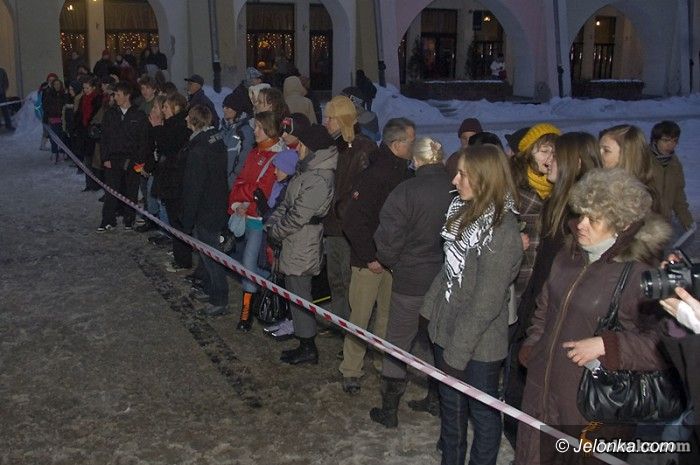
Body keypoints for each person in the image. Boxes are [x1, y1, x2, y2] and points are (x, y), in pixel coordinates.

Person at [515, 168, 673, 465]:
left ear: (622, 224)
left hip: (593, 407)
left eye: (593, 219)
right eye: (581, 215)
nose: (581, 224)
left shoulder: (641, 274)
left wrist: (608, 345)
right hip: (541, 395)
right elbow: (544, 308)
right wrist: (534, 345)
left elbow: (662, 345)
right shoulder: (568, 255)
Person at [420, 144, 523, 465]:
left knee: (483, 415)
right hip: (447, 330)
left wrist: (457, 352)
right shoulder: (461, 213)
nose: (455, 180)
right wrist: (428, 312)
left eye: (463, 174)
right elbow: (448, 270)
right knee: (451, 412)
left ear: (485, 178)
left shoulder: (501, 231)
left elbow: (486, 302)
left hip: (479, 345)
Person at [503, 131, 599, 448]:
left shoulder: (583, 216)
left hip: (558, 324)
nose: (549, 162)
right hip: (538, 312)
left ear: (576, 162)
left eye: (556, 155)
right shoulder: (557, 204)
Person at [368, 137, 453, 428]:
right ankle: (436, 399)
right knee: (437, 340)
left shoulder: (406, 191)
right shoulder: (456, 189)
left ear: (415, 161)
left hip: (411, 280)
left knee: (398, 342)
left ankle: (389, 410)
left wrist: (392, 261)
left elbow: (387, 239)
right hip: (445, 279)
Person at [339, 118, 415, 394]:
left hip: (393, 261)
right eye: (411, 141)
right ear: (397, 144)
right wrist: (369, 256)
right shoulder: (373, 175)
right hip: (367, 262)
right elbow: (352, 220)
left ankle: (384, 362)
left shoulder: (405, 174)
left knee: (386, 316)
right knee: (360, 317)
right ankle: (351, 369)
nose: (414, 146)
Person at [267, 124, 338, 365]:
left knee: (300, 294)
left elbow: (299, 215)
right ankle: (303, 341)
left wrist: (276, 231)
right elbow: (287, 204)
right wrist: (273, 222)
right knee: (294, 291)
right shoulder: (306, 171)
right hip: (294, 239)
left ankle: (308, 345)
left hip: (303, 242)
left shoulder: (319, 178)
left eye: (301, 145)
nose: (297, 149)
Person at [321, 96, 376, 327]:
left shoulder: (363, 149)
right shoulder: (334, 145)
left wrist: (342, 211)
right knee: (336, 279)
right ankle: (339, 323)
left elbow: (363, 191)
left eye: (330, 118)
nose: (325, 122)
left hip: (349, 228)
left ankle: (355, 330)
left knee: (350, 281)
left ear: (342, 119)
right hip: (333, 226)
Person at [228, 111, 285, 331]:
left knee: (251, 264)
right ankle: (247, 310)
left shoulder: (279, 156)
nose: (255, 130)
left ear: (269, 129)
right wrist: (240, 202)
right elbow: (240, 182)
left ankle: (254, 307)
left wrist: (245, 195)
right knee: (248, 264)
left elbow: (265, 191)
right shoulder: (254, 152)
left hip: (262, 220)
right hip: (248, 216)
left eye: (260, 127)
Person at [181, 104, 229, 316]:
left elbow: (194, 187)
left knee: (211, 258)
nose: (185, 120)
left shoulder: (199, 150)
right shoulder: (215, 141)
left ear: (194, 121)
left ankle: (219, 298)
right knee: (207, 255)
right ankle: (210, 289)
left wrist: (187, 219)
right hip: (216, 205)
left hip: (206, 210)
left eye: (188, 117)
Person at [510, 123, 560, 303]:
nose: (550, 157)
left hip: (543, 285)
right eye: (544, 151)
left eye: (555, 152)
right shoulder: (513, 188)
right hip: (515, 281)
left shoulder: (559, 190)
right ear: (528, 153)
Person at [97, 81, 149, 232]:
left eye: (118, 94)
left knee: (131, 191)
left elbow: (143, 141)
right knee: (111, 191)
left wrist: (140, 162)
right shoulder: (110, 114)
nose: (115, 97)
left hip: (132, 160)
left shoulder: (138, 115)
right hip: (113, 159)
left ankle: (129, 220)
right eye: (114, 94)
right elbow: (104, 138)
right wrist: (105, 158)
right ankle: (108, 220)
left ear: (127, 96)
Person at [150, 93, 192, 271]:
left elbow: (168, 147)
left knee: (178, 221)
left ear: (176, 107)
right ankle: (179, 256)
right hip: (169, 180)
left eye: (166, 107)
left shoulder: (180, 126)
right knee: (174, 221)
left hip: (176, 181)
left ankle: (183, 260)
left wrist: (157, 128)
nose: (163, 110)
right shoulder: (172, 124)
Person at [599, 124, 661, 213]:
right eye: (599, 149)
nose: (599, 154)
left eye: (606, 150)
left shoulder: (639, 200)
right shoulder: (601, 185)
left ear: (626, 155)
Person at [648, 121, 694, 231]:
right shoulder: (643, 159)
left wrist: (687, 221)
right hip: (643, 224)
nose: (671, 145)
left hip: (664, 223)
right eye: (666, 140)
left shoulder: (675, 164)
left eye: (674, 141)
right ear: (655, 140)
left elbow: (679, 196)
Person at [73, 76, 102, 190]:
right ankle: (89, 184)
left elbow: (95, 115)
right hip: (84, 132)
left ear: (93, 88)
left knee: (95, 160)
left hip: (92, 133)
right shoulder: (83, 98)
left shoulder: (97, 98)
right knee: (87, 160)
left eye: (87, 88)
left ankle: (97, 184)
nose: (85, 90)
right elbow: (80, 114)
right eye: (84, 88)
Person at [220, 91, 254, 188]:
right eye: (224, 107)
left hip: (232, 183)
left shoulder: (244, 130)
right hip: (220, 180)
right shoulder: (223, 129)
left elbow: (245, 157)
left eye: (228, 107)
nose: (224, 110)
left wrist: (233, 178)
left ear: (237, 110)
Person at [42, 78, 68, 163]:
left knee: (62, 136)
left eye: (58, 84)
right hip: (52, 118)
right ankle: (54, 152)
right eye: (55, 84)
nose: (57, 86)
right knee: (53, 137)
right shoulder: (49, 94)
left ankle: (61, 153)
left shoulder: (64, 95)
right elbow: (45, 106)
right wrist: (48, 115)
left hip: (62, 119)